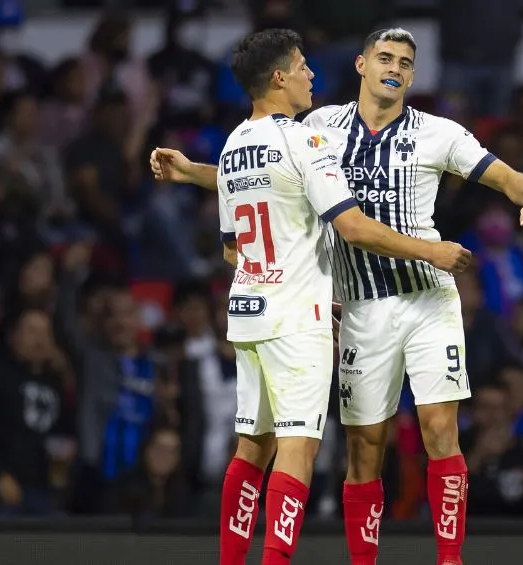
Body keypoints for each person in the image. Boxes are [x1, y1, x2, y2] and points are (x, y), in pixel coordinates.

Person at [148, 29, 472, 565]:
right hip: (298, 321)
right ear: (279, 77)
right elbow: (352, 227)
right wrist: (430, 252)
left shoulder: (234, 144)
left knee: (251, 447)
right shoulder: (305, 139)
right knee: (298, 451)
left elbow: (233, 249)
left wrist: (189, 173)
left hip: (248, 313)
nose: (311, 75)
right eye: (302, 66)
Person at [301, 28, 523, 565]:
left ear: (412, 77)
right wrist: (199, 175)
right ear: (362, 64)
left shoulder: (438, 134)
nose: (395, 67)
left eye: (406, 62)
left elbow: (507, 178)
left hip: (428, 300)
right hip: (361, 304)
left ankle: (449, 559)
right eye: (385, 57)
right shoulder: (320, 126)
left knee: (440, 426)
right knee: (365, 444)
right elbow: (269, 180)